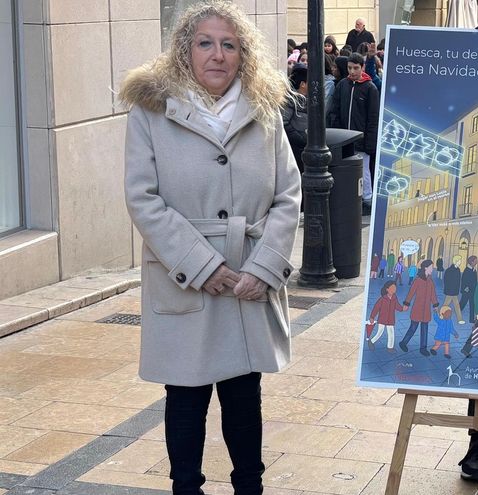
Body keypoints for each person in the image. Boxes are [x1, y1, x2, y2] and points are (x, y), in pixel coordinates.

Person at [120, 2, 301, 493]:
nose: (217, 54)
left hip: (247, 279)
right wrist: (201, 265)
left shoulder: (264, 111)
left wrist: (264, 268)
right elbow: (143, 198)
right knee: (185, 399)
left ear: (243, 54)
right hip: (184, 282)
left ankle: (250, 487)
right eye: (205, 43)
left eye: (229, 45)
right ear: (185, 51)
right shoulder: (151, 112)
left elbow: (288, 195)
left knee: (244, 398)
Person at [329, 52, 380, 205]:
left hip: (361, 139)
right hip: (344, 138)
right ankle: (351, 199)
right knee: (346, 170)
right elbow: (335, 110)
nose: (352, 71)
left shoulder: (370, 88)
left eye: (355, 68)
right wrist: (337, 133)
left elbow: (373, 118)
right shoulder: (343, 85)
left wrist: (369, 142)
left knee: (363, 171)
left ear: (362, 68)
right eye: (349, 68)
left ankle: (367, 199)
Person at [399, 260, 439, 355]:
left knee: (425, 329)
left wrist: (435, 305)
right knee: (413, 327)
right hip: (417, 308)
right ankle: (403, 343)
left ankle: (423, 348)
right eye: (431, 267)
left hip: (426, 310)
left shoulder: (430, 282)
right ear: (425, 268)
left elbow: (433, 295)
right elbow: (411, 293)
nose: (432, 269)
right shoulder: (417, 281)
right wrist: (406, 304)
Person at [282, 63, 308, 174]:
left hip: (303, 148)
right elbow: (284, 123)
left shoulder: (306, 99)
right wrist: (301, 139)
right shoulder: (290, 100)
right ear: (303, 84)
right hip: (295, 149)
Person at [368, 281, 403, 352]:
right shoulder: (382, 299)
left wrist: (402, 309)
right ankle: (371, 341)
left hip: (390, 319)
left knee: (391, 333)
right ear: (387, 289)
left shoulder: (394, 298)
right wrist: (372, 317)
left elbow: (397, 306)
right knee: (380, 332)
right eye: (392, 288)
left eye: (395, 288)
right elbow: (376, 308)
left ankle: (390, 347)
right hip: (382, 318)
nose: (394, 289)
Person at [442, 255, 466, 324]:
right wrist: (448, 289)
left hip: (454, 291)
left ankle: (459, 319)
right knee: (446, 305)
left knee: (456, 305)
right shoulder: (449, 270)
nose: (460, 262)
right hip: (450, 291)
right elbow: (446, 280)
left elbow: (458, 281)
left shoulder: (458, 270)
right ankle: (442, 316)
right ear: (456, 261)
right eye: (459, 261)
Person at [459, 255, 478, 323]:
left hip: (472, 290)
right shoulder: (467, 270)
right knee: (463, 303)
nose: (476, 262)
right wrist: (465, 289)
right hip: (467, 291)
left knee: (472, 304)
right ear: (472, 262)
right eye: (475, 261)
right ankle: (458, 311)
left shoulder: (474, 270)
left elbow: (474, 280)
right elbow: (464, 280)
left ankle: (471, 319)